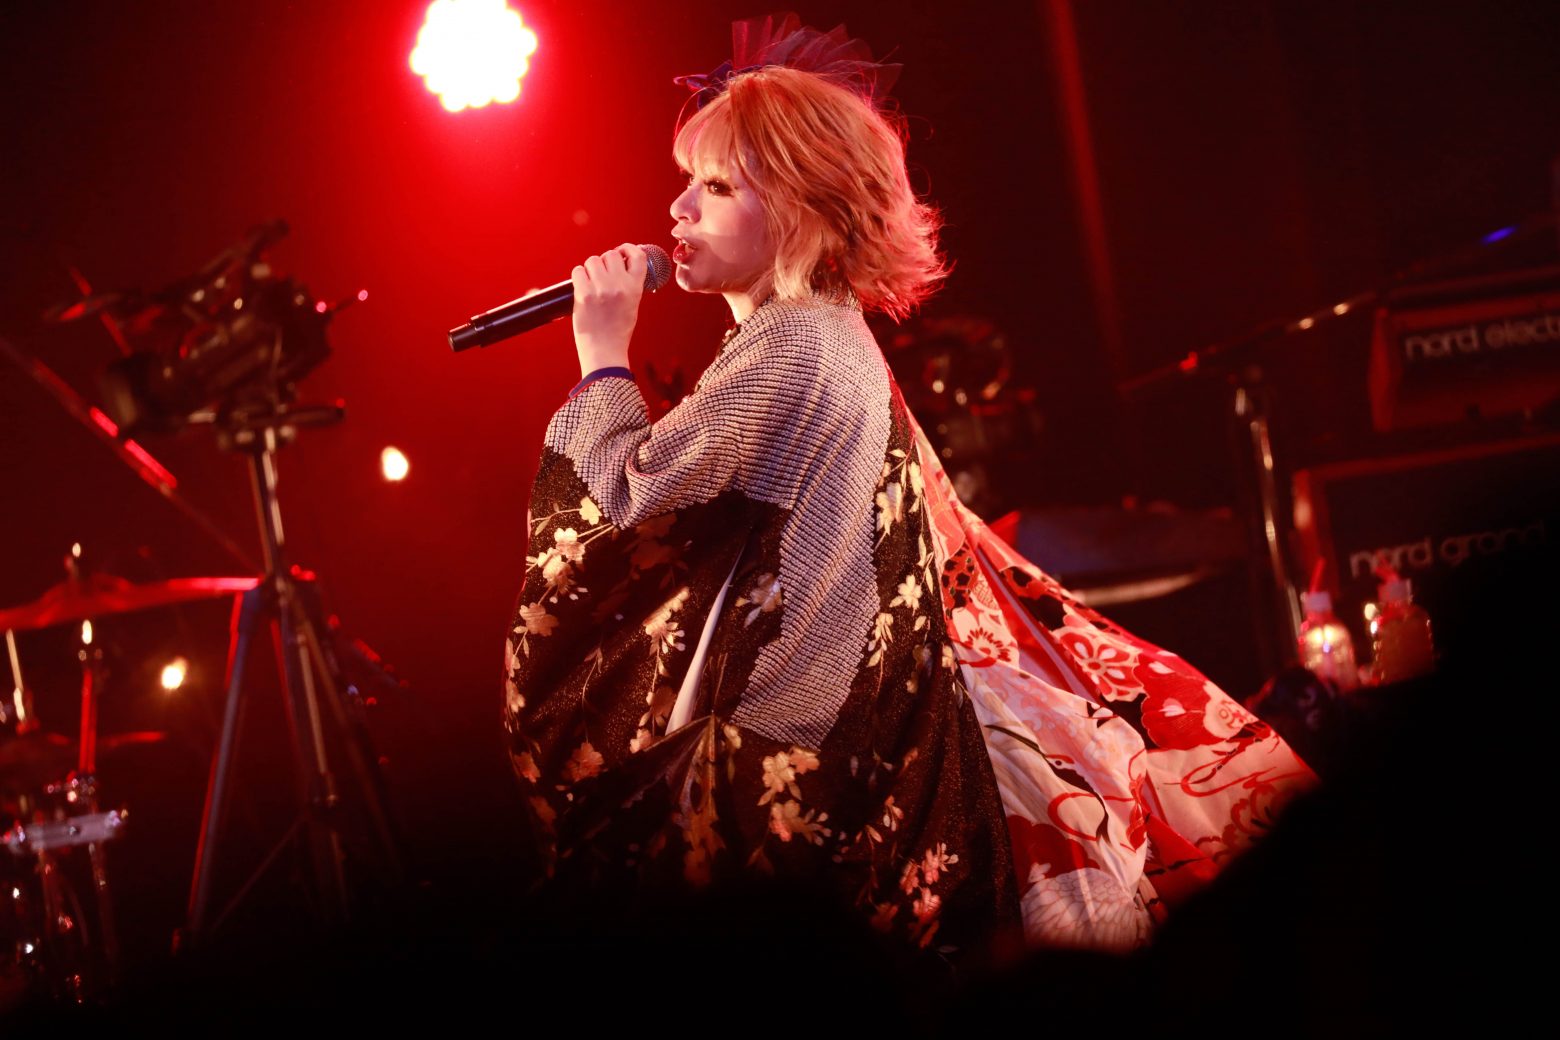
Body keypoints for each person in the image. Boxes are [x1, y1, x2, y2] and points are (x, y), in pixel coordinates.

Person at [502, 14, 1313, 956]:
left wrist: (602, 355)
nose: (678, 208)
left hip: (804, 761)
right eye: (687, 181)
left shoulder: (793, 340)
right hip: (846, 739)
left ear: (801, 210)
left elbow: (629, 503)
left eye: (716, 186)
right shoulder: (817, 331)